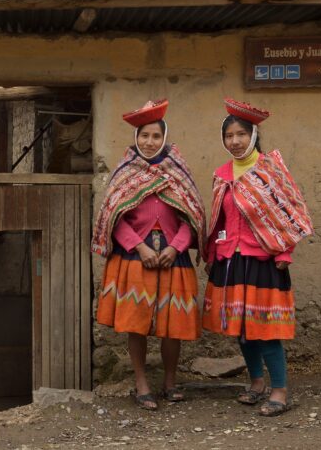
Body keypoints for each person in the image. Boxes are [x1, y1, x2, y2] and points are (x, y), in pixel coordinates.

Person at [92, 99, 206, 411]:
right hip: (134, 256)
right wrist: (139, 246)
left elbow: (193, 216)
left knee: (173, 325)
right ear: (136, 138)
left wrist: (175, 247)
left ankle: (170, 381)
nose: (150, 142)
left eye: (156, 136)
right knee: (136, 323)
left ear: (164, 138)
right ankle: (142, 383)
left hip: (173, 256)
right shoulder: (125, 172)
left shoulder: (178, 171)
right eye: (144, 136)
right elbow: (113, 217)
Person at [202, 98, 313, 416]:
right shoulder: (222, 174)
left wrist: (285, 251)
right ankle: (256, 383)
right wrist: (213, 253)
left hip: (264, 260)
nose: (234, 141)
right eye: (229, 136)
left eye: (240, 134)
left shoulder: (270, 171)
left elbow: (290, 214)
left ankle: (279, 390)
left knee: (265, 329)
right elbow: (218, 219)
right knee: (240, 328)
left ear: (252, 135)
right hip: (231, 261)